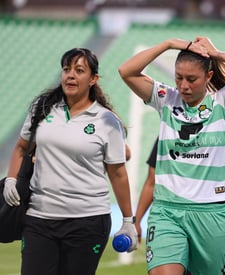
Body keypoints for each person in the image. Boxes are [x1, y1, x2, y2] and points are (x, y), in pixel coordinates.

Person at [119, 37, 225, 275]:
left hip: (212, 214)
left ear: (208, 77)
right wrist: (169, 44)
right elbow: (126, 71)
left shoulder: (224, 102)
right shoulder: (165, 99)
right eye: (179, 77)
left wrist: (215, 53)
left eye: (191, 79)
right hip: (167, 211)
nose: (183, 85)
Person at [3, 48, 138, 275]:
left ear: (93, 79)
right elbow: (21, 147)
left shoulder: (106, 120)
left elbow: (118, 173)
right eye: (66, 70)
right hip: (39, 219)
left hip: (87, 221)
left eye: (79, 70)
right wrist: (11, 179)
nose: (70, 75)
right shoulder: (42, 109)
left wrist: (127, 220)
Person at [134, 137, 225, 243]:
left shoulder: (215, 137)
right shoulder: (167, 135)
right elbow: (151, 182)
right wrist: (136, 222)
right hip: (171, 215)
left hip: (209, 217)